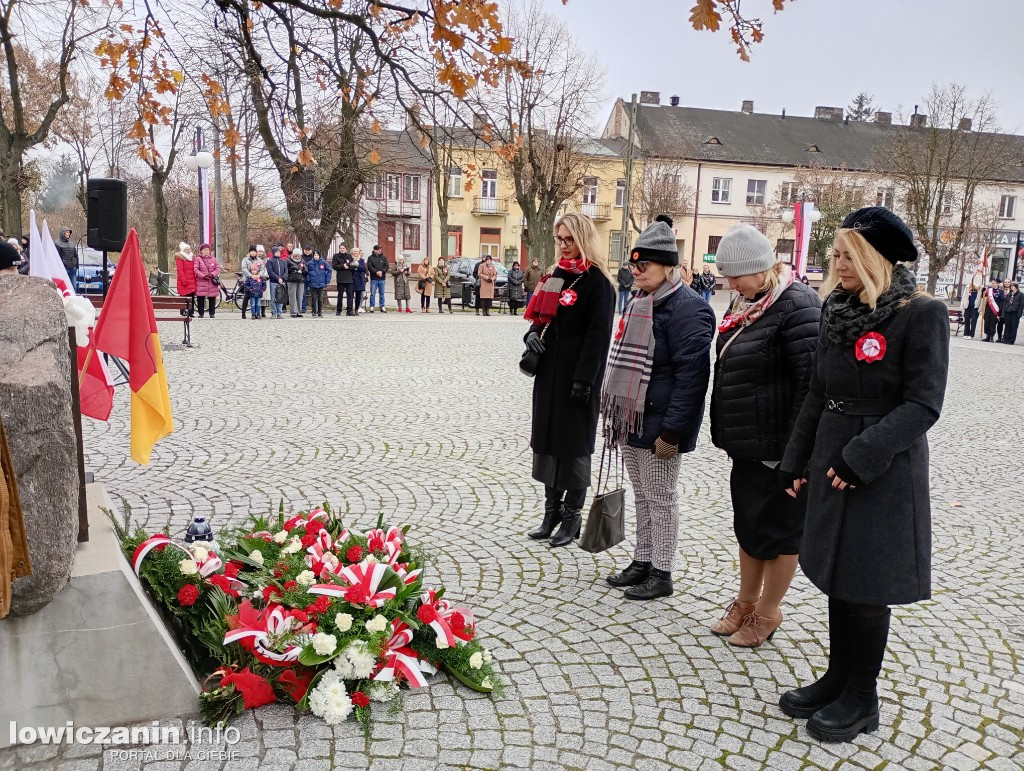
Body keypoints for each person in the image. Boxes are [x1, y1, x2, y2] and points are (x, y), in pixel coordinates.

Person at [778, 207, 949, 743]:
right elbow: (816, 392)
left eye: (849, 254)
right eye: (835, 253)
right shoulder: (837, 308)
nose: (838, 262)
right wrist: (797, 460)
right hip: (832, 455)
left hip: (881, 468)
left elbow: (923, 404)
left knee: (867, 583)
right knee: (836, 574)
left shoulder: (920, 313)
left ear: (877, 258)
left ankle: (862, 696)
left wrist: (860, 456)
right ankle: (836, 678)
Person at [707, 224, 821, 645]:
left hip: (781, 447)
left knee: (780, 532)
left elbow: (810, 383)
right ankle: (745, 602)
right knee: (749, 527)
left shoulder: (798, 306)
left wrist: (796, 453)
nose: (730, 283)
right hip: (748, 443)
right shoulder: (749, 301)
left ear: (762, 268)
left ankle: (769, 612)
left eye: (736, 275)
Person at [599, 215, 715, 599]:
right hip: (631, 417)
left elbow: (693, 379)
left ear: (669, 267)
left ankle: (662, 572)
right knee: (642, 494)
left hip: (661, 423)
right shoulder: (640, 302)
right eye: (633, 264)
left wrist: (673, 431)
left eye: (643, 265)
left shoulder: (689, 309)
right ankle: (643, 560)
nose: (635, 271)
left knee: (661, 498)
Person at [523, 213, 615, 549]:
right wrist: (531, 336)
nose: (563, 246)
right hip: (549, 377)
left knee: (574, 448)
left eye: (568, 240)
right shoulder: (555, 275)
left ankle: (573, 516)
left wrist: (584, 381)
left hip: (579, 380)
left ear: (583, 239)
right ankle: (552, 512)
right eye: (559, 239)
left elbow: (597, 339)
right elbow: (540, 318)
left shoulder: (598, 282)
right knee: (548, 443)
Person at [193, 243, 221, 318]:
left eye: (208, 250)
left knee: (212, 298)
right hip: (201, 281)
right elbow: (196, 269)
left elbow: (218, 268)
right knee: (200, 298)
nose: (207, 251)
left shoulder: (213, 259)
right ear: (201, 251)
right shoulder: (198, 259)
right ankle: (201, 313)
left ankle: (212, 313)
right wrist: (203, 276)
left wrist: (212, 274)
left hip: (211, 281)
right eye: (205, 250)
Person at [240, 245, 264, 319]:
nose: (253, 253)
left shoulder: (259, 260)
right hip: (249, 281)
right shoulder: (245, 260)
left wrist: (259, 275)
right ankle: (243, 313)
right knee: (246, 297)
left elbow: (262, 269)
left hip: (257, 282)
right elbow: (244, 269)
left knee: (257, 299)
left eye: (254, 251)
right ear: (249, 252)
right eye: (251, 251)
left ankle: (257, 313)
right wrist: (251, 275)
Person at [306, 250, 332, 317]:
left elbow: (329, 270)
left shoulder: (323, 262)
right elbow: (306, 271)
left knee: (320, 298)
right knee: (314, 298)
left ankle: (320, 312)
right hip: (312, 283)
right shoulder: (309, 263)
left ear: (319, 256)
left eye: (317, 255)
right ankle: (314, 311)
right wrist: (308, 279)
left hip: (321, 283)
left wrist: (327, 280)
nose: (316, 256)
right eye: (315, 255)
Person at [174, 242, 197, 317]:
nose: (188, 250)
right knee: (184, 297)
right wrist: (183, 281)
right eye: (187, 249)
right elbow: (180, 270)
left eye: (189, 249)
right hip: (184, 281)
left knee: (191, 297)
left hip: (192, 280)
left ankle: (191, 312)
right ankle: (184, 312)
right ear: (183, 250)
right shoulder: (180, 257)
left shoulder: (192, 257)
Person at [266, 246, 289, 319]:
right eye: (277, 251)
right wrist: (277, 278)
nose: (278, 253)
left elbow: (286, 271)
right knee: (273, 298)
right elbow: (270, 271)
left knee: (280, 298)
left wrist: (282, 278)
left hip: (281, 282)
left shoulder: (283, 261)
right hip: (273, 282)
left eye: (279, 252)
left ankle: (279, 313)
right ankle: (273, 312)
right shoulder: (270, 261)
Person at [333, 246, 354, 316]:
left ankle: (349, 310)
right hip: (341, 278)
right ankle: (339, 310)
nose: (342, 249)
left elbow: (353, 265)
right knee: (340, 295)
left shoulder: (349, 256)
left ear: (346, 249)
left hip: (349, 278)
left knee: (350, 296)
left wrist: (348, 267)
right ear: (339, 249)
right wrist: (343, 266)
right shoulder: (336, 256)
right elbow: (334, 266)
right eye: (341, 248)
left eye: (343, 248)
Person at [367, 245, 389, 312]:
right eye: (378, 249)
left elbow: (386, 266)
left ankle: (382, 306)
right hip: (374, 278)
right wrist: (376, 272)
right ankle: (372, 306)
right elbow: (369, 266)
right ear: (374, 250)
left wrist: (382, 271)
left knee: (382, 293)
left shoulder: (384, 257)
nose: (379, 250)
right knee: (372, 293)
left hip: (382, 278)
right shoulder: (370, 258)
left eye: (380, 249)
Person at [286, 248, 308, 317]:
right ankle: (293, 312)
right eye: (296, 255)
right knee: (292, 297)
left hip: (300, 280)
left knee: (300, 297)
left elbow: (306, 270)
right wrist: (294, 271)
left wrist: (302, 272)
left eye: (298, 255)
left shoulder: (302, 261)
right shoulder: (288, 261)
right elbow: (286, 270)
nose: (297, 256)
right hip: (291, 280)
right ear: (293, 255)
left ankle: (299, 311)